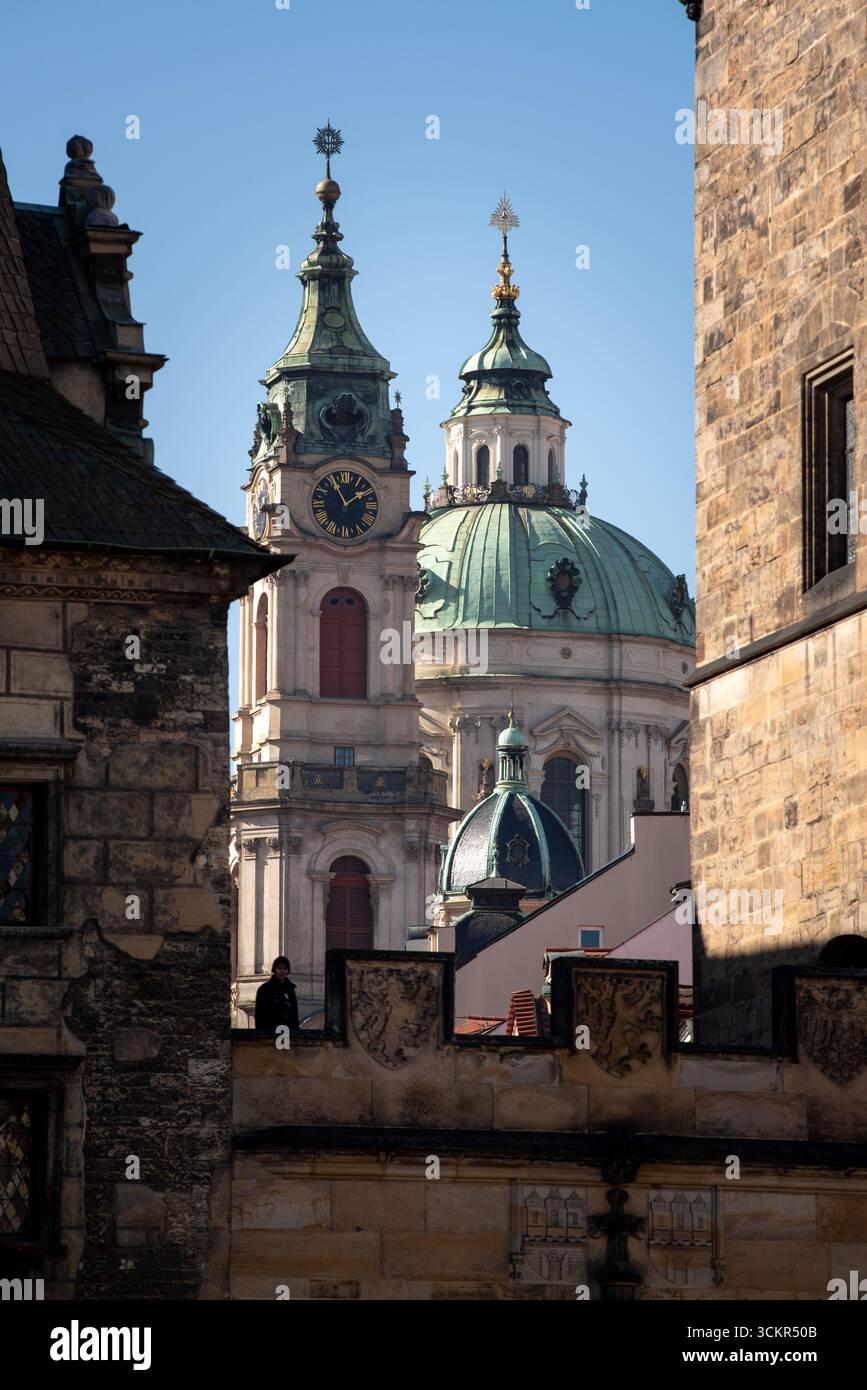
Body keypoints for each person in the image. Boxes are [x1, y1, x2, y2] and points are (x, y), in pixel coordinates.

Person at [254, 956, 299, 1033]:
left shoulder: (290, 990)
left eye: (285, 968)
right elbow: (260, 1014)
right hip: (270, 1031)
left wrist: (295, 1031)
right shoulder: (265, 989)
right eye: (279, 968)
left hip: (288, 1032)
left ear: (288, 971)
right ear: (274, 969)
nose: (282, 971)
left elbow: (294, 1013)